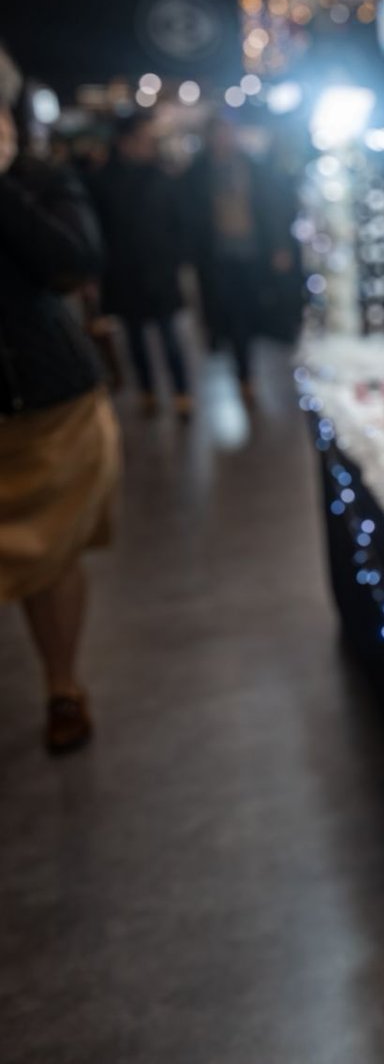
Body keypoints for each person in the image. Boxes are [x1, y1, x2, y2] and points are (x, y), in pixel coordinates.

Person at [0, 48, 121, 753]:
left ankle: (62, 684)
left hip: (46, 405)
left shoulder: (39, 181)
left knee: (52, 559)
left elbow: (74, 263)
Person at [180, 116, 296, 405]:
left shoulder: (252, 167)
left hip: (252, 253)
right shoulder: (197, 173)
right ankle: (244, 373)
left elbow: (271, 207)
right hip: (218, 257)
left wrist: (279, 246)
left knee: (253, 310)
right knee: (230, 315)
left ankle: (250, 368)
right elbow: (190, 218)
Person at [92, 112, 192, 419]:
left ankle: (182, 393)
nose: (150, 145)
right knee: (135, 340)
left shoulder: (161, 177)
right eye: (144, 139)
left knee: (169, 337)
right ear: (126, 142)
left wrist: (174, 257)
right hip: (125, 275)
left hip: (159, 271)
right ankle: (147, 392)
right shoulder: (104, 181)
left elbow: (178, 223)